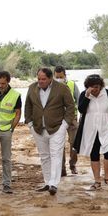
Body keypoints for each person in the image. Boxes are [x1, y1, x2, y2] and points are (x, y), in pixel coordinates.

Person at [24, 66, 77, 195]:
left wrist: (65, 125)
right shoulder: (32, 87)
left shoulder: (62, 88)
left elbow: (70, 106)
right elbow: (28, 106)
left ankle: (54, 183)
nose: (40, 81)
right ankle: (47, 182)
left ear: (50, 79)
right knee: (44, 156)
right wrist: (30, 124)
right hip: (38, 128)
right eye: (39, 79)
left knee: (56, 154)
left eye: (43, 79)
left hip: (57, 127)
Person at [71, 74, 108, 189]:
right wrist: (87, 96)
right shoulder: (85, 94)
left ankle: (107, 178)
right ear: (87, 87)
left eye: (97, 87)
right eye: (91, 87)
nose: (94, 89)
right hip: (91, 128)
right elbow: (81, 109)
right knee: (94, 153)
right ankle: (97, 180)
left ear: (101, 86)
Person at [54, 66, 80, 175]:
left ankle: (72, 164)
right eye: (57, 77)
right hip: (57, 119)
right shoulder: (51, 87)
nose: (59, 78)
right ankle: (62, 169)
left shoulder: (72, 85)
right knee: (59, 144)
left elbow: (79, 101)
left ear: (65, 75)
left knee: (74, 142)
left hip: (72, 119)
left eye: (61, 76)